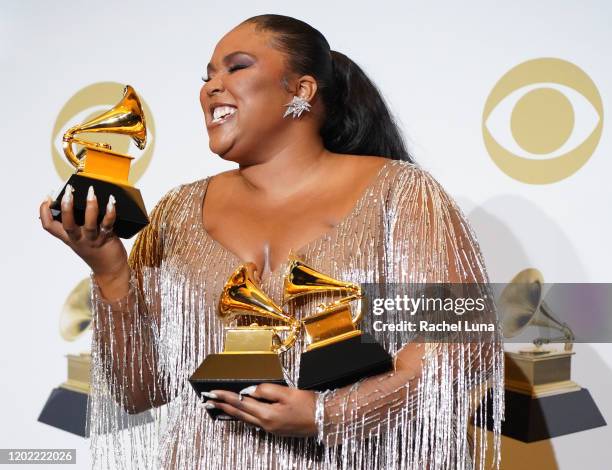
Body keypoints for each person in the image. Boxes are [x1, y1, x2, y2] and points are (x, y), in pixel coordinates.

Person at [40, 14, 503, 470]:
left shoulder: (402, 193)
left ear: (301, 90)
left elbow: (461, 347)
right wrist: (110, 271)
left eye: (236, 67)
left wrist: (327, 416)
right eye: (208, 76)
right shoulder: (177, 212)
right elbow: (140, 391)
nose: (211, 87)